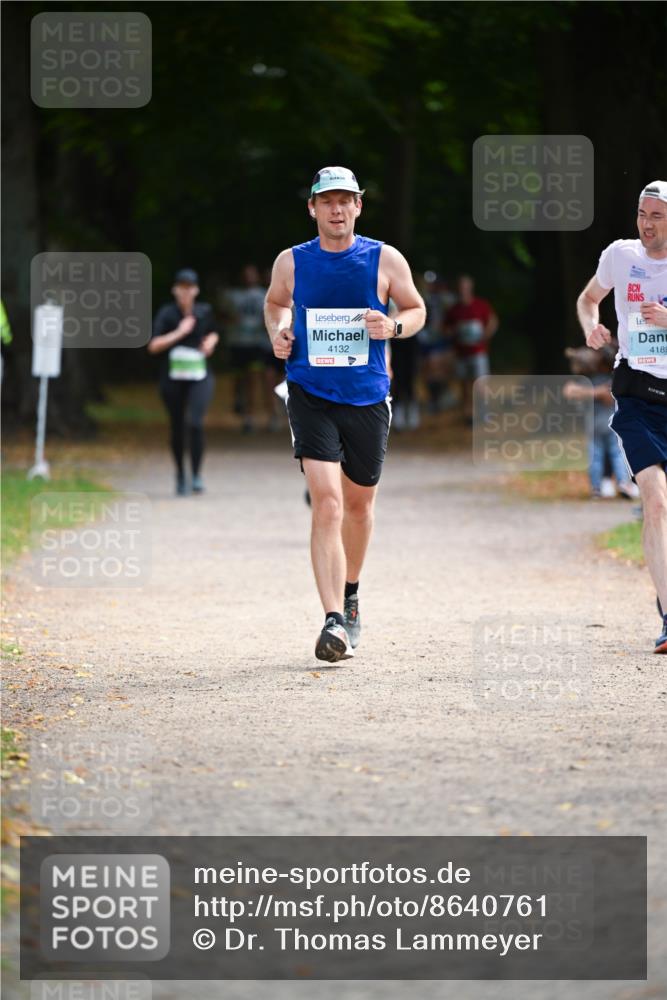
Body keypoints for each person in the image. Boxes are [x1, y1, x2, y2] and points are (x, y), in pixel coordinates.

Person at [264, 166, 426, 662]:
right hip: (310, 392)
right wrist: (279, 331)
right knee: (328, 503)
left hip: (368, 398)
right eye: (327, 201)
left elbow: (416, 310)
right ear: (312, 208)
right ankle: (332, 618)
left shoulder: (384, 258)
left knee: (358, 506)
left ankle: (351, 592)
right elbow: (275, 304)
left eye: (345, 200)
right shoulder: (292, 262)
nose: (337, 209)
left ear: (359, 206)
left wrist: (393, 328)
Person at [576, 180, 667, 653]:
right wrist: (592, 329)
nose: (647, 224)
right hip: (636, 393)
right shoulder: (620, 255)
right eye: (642, 214)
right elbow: (588, 299)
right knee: (654, 500)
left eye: (657, 215)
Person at [148, 268, 219, 495]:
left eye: (190, 287)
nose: (186, 292)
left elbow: (214, 333)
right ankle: (180, 474)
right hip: (173, 378)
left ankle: (196, 475)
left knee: (195, 422)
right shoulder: (167, 314)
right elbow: (153, 345)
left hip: (200, 375)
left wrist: (210, 343)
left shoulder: (204, 311)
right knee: (177, 425)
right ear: (175, 290)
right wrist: (179, 332)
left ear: (196, 290)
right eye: (182, 287)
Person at [563, 343, 638, 500]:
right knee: (617, 454)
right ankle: (623, 482)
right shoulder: (612, 380)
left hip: (593, 425)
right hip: (611, 425)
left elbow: (570, 391)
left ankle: (595, 488)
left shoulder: (588, 381)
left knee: (595, 457)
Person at [224, 265, 283, 431]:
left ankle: (262, 415)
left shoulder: (263, 295)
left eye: (252, 275)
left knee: (255, 379)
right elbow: (222, 316)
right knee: (240, 379)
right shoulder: (232, 295)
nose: (248, 278)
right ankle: (243, 408)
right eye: (245, 275)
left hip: (256, 345)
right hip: (237, 344)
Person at [444, 274, 498, 423]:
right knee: (465, 386)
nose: (463, 290)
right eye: (461, 287)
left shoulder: (481, 305)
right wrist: (455, 331)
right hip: (461, 353)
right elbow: (446, 328)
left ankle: (484, 413)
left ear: (470, 288)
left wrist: (486, 334)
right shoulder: (454, 309)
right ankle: (467, 415)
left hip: (478, 352)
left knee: (480, 385)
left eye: (466, 287)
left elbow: (492, 321)